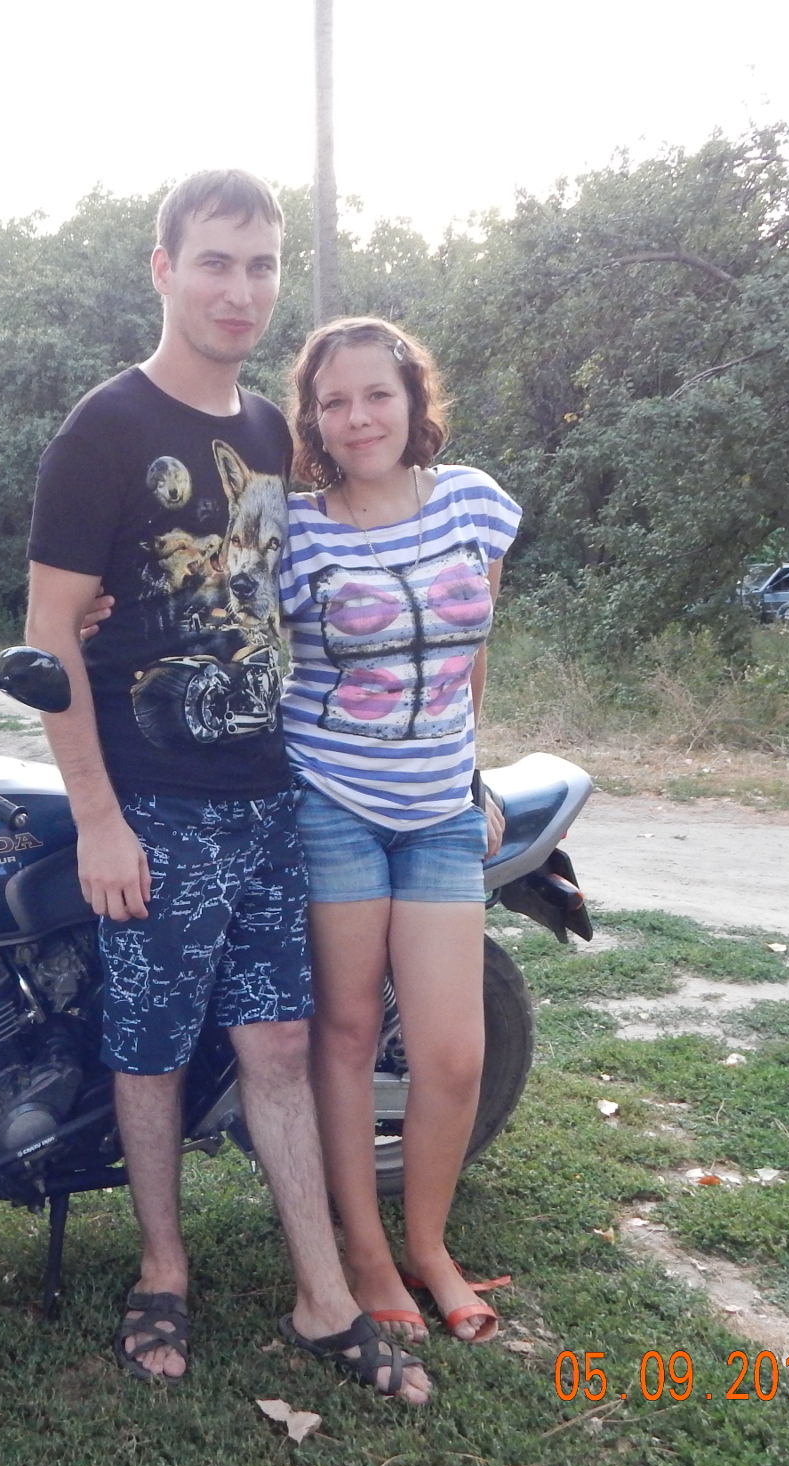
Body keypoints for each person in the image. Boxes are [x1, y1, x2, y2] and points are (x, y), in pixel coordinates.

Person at [24, 170, 430, 1404]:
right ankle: (162, 1270)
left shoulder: (269, 434)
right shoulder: (102, 429)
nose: (238, 289)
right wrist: (98, 818)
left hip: (266, 796)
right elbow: (48, 636)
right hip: (151, 802)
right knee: (147, 1052)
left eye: (260, 266)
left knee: (279, 1043)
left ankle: (322, 1295)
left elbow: (331, 560)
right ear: (163, 269)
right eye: (214, 261)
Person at [278, 317, 520, 1345]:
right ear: (312, 420)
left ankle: (428, 1244)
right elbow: (204, 614)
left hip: (437, 813)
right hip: (330, 798)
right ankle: (368, 1257)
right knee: (342, 1034)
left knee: (451, 1056)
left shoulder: (474, 502)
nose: (358, 418)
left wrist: (470, 770)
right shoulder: (291, 529)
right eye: (333, 402)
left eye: (376, 394)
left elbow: (471, 649)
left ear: (413, 399)